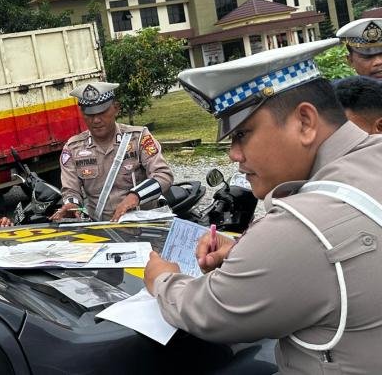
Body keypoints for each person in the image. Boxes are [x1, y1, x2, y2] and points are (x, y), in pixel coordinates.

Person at [143, 39, 382, 374]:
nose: (234, 155)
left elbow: (208, 310)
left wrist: (163, 280)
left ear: (305, 122)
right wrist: (245, 250)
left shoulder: (299, 228)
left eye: (242, 134)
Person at [53, 82, 173, 222]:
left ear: (116, 108)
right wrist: (72, 205)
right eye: (90, 115)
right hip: (101, 228)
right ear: (82, 114)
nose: (96, 120)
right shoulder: (73, 148)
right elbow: (71, 190)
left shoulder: (138, 138)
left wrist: (136, 196)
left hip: (142, 225)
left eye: (102, 112)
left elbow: (164, 175)